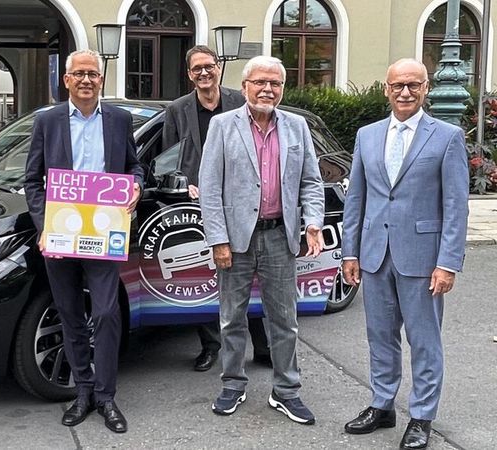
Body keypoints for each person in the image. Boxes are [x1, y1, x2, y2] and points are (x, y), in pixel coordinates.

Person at [341, 58, 468, 450]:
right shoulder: (367, 135)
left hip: (423, 258)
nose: (405, 92)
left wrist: (447, 262)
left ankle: (422, 416)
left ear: (426, 88)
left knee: (424, 341)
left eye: (414, 85)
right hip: (375, 254)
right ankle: (382, 406)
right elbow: (357, 199)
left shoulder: (446, 136)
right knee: (380, 336)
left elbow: (456, 205)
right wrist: (350, 253)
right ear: (386, 88)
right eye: (398, 85)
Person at [199, 55, 324, 424]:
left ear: (282, 90)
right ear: (245, 86)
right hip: (236, 240)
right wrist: (218, 239)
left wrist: (312, 222)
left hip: (279, 237)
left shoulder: (297, 127)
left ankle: (286, 391)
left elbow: (311, 182)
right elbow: (209, 188)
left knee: (284, 320)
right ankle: (232, 385)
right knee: (231, 317)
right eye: (260, 82)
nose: (267, 89)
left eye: (275, 83)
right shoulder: (223, 126)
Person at [24, 49, 143, 434]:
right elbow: (32, 179)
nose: (87, 80)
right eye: (80, 74)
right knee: (70, 313)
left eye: (93, 73)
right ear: (67, 80)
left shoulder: (119, 120)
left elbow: (134, 165)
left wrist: (137, 186)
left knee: (107, 313)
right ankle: (83, 391)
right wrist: (44, 225)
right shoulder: (48, 121)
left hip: (103, 232)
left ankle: (107, 397)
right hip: (60, 232)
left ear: (101, 79)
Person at [162, 45, 271, 372]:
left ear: (219, 67)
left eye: (209, 66)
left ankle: (264, 346)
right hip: (201, 204)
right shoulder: (178, 110)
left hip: (245, 203)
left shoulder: (242, 102)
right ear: (189, 74)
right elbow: (169, 160)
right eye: (197, 68)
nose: (204, 73)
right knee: (207, 278)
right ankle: (212, 345)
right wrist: (183, 181)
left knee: (252, 275)